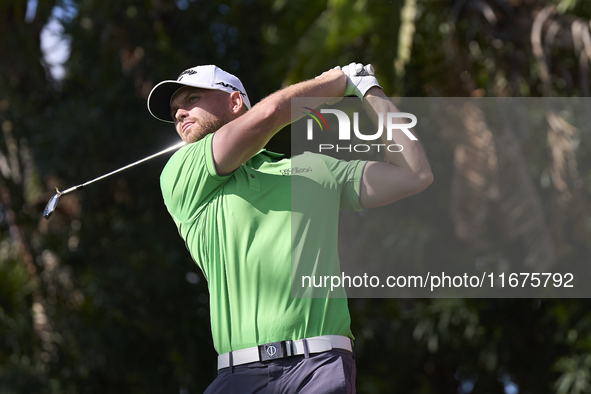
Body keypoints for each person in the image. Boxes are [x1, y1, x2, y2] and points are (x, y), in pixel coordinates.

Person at [147, 63, 433, 393]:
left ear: (235, 102)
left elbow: (415, 174)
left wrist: (369, 90)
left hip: (321, 367)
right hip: (239, 375)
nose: (180, 113)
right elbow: (269, 114)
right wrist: (333, 83)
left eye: (192, 98)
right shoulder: (181, 172)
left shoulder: (314, 169)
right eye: (174, 111)